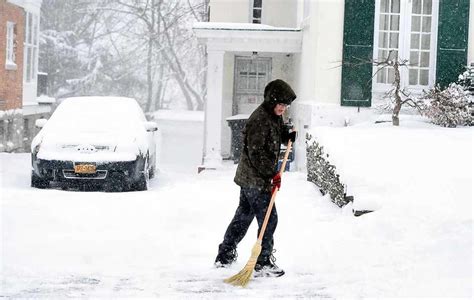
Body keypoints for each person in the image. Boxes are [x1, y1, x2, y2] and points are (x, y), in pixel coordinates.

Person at [214, 79, 297, 277]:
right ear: (272, 101)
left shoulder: (272, 116)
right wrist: (272, 174)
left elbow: (276, 134)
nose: (283, 109)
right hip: (255, 178)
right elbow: (256, 153)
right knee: (270, 219)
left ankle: (224, 255)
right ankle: (262, 261)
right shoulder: (260, 119)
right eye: (281, 105)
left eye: (286, 106)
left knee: (243, 218)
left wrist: (287, 135)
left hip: (251, 177)